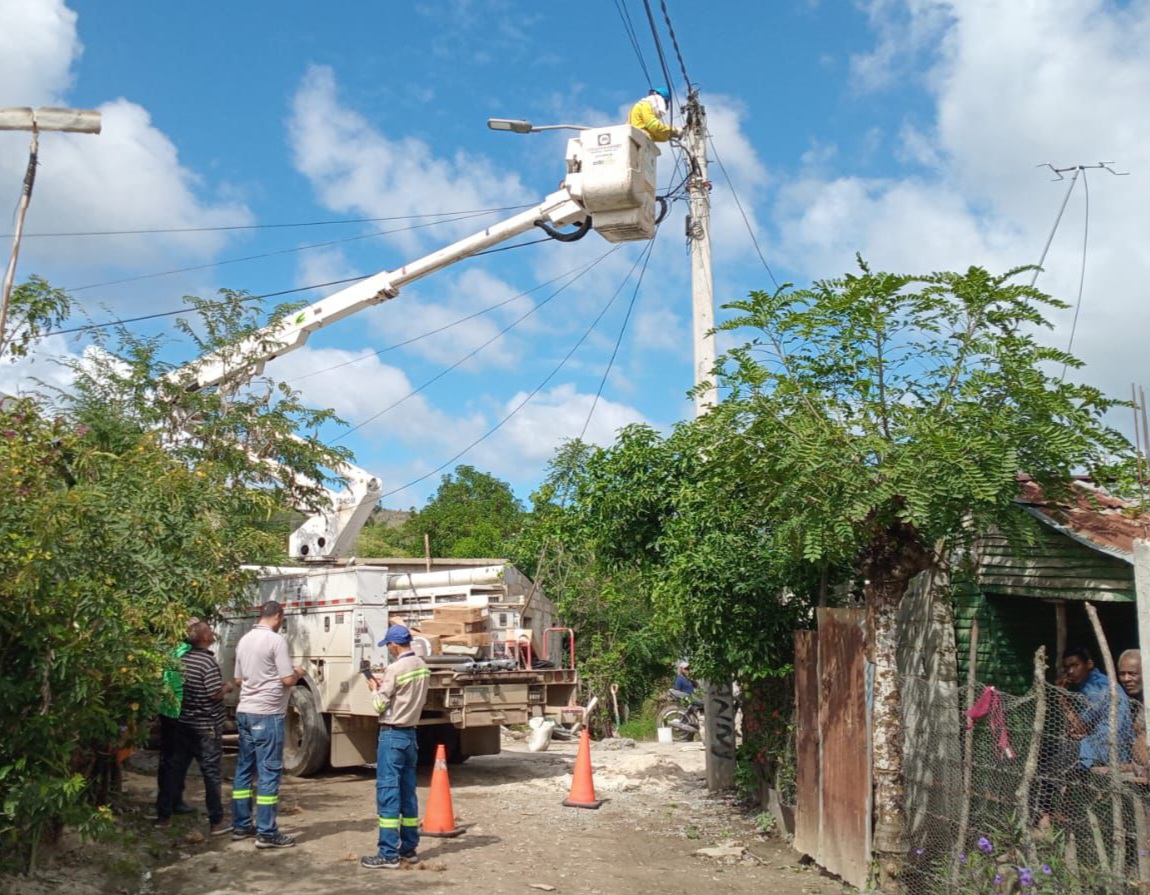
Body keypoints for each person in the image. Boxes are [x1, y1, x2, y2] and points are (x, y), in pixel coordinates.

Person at [230, 601, 307, 849]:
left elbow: (239, 679)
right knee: (269, 772)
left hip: (245, 712)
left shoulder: (244, 640)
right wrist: (299, 673)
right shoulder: (276, 641)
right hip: (268, 714)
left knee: (244, 769)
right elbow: (286, 679)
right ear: (278, 616)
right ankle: (267, 832)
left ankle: (242, 826)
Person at [361, 625, 431, 870]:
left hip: (392, 736)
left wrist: (374, 689)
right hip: (411, 735)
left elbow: (380, 706)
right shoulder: (422, 666)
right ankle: (409, 848)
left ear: (393, 645)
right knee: (407, 793)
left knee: (389, 793)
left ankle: (388, 853)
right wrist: (387, 686)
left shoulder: (395, 668)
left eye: (388, 646)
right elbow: (406, 694)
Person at [173, 621, 235, 836]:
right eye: (209, 630)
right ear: (204, 638)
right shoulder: (207, 663)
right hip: (207, 725)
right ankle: (217, 821)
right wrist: (227, 687)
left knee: (177, 768)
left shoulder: (184, 659)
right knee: (211, 774)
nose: (213, 633)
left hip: (186, 722)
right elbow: (213, 693)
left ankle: (164, 815)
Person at [155, 616, 199, 827]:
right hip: (181, 712)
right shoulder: (187, 654)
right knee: (177, 762)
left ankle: (172, 802)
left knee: (168, 760)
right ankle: (168, 807)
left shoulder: (171, 651)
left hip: (168, 710)